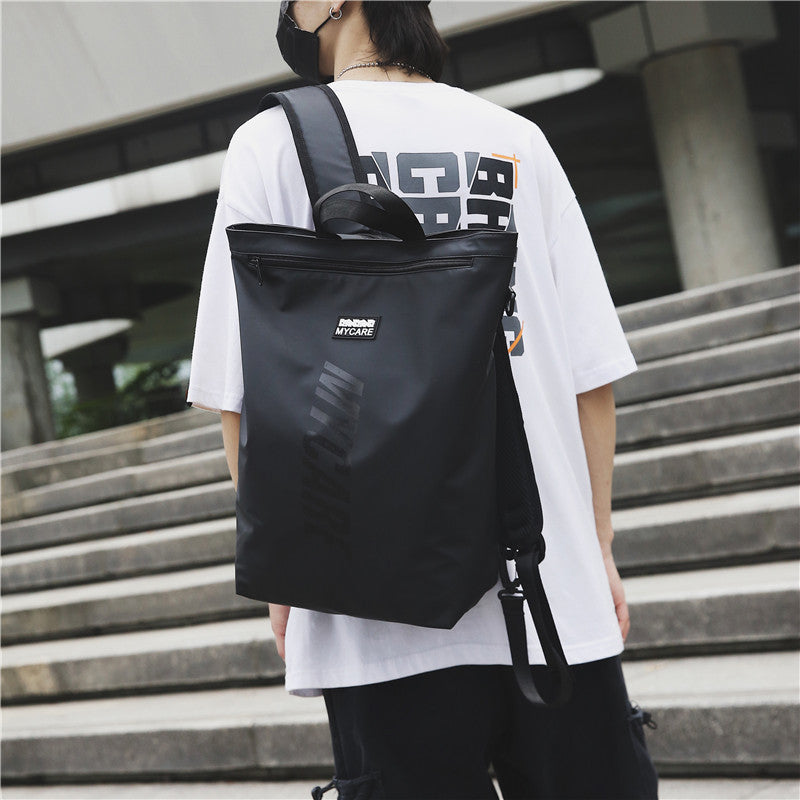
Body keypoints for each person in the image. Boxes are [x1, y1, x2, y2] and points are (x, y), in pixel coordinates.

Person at [186, 1, 660, 797]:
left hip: (366, 606)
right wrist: (598, 547)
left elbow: (243, 392)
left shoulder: (271, 144)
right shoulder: (515, 139)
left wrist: (286, 573)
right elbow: (590, 376)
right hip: (548, 589)